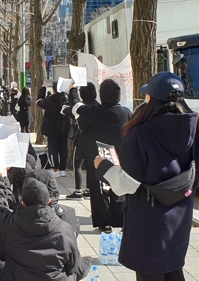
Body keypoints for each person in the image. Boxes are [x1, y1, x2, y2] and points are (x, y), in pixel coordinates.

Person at [94, 72, 197, 281]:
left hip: (147, 217)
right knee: (173, 269)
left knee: (149, 273)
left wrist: (103, 167)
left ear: (150, 99)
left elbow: (127, 185)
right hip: (180, 215)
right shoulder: (194, 129)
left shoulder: (139, 132)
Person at [0, 166, 89, 281]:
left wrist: (1, 179)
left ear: (23, 202)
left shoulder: (10, 223)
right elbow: (72, 266)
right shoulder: (65, 230)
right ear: (49, 201)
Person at [70, 79, 131, 232]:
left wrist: (73, 90)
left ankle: (104, 222)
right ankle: (120, 219)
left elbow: (77, 106)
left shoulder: (96, 112)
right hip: (119, 157)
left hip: (97, 158)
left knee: (99, 190)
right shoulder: (126, 112)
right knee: (118, 188)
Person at [63, 83, 100, 200]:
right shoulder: (99, 107)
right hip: (96, 142)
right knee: (91, 166)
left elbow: (73, 104)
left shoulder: (81, 108)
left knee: (77, 165)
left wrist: (71, 90)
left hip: (82, 141)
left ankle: (78, 191)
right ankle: (89, 190)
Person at [36, 83, 70, 177]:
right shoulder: (66, 100)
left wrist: (43, 89)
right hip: (64, 128)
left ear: (54, 89)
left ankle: (55, 170)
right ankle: (63, 170)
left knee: (53, 149)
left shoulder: (50, 100)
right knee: (63, 149)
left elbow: (39, 101)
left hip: (52, 129)